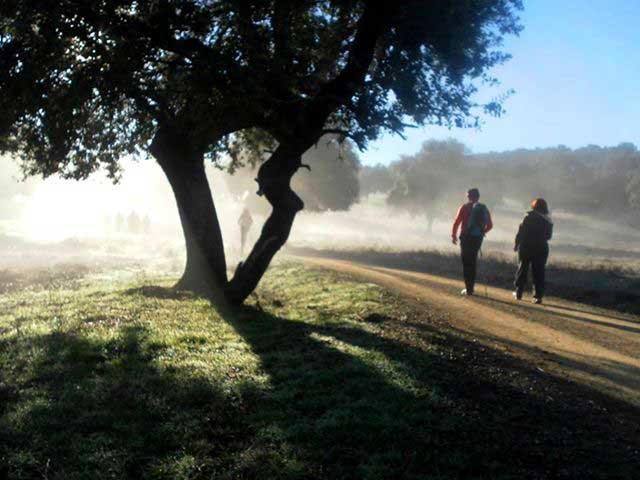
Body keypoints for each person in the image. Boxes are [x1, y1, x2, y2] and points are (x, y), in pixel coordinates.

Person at [451, 188, 493, 296]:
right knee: (473, 261)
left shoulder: (464, 207)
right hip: (477, 238)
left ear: (468, 196)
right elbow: (490, 225)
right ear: (478, 196)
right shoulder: (483, 208)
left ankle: (468, 288)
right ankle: (471, 288)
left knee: (466, 262)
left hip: (465, 237)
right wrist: (482, 232)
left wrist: (454, 235)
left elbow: (456, 222)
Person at [513, 198, 553, 304]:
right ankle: (537, 296)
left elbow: (521, 232)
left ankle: (518, 292)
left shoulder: (528, 216)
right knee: (539, 272)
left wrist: (516, 244)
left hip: (526, 246)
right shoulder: (548, 220)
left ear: (533, 206)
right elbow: (549, 236)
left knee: (522, 268)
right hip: (541, 247)